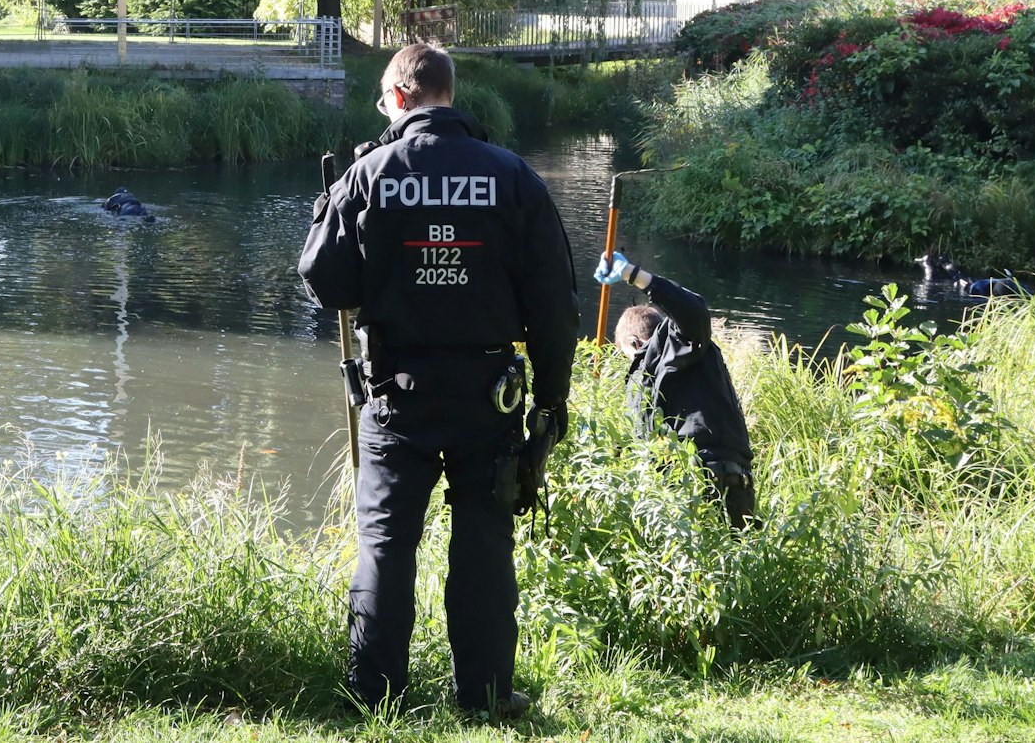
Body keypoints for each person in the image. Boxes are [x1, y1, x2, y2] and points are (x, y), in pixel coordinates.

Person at [298, 43, 580, 719]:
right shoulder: (513, 177)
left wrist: (331, 205)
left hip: (398, 393)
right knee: (483, 542)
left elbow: (323, 280)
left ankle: (375, 695)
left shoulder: (367, 174)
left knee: (387, 544)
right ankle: (483, 695)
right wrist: (551, 398)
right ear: (450, 94)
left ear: (398, 97)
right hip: (491, 393)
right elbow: (554, 306)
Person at [593, 252, 756, 528]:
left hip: (711, 482)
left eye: (627, 356)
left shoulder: (678, 343)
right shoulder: (647, 379)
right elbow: (645, 441)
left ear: (633, 343)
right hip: (687, 492)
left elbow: (694, 311)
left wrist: (633, 275)